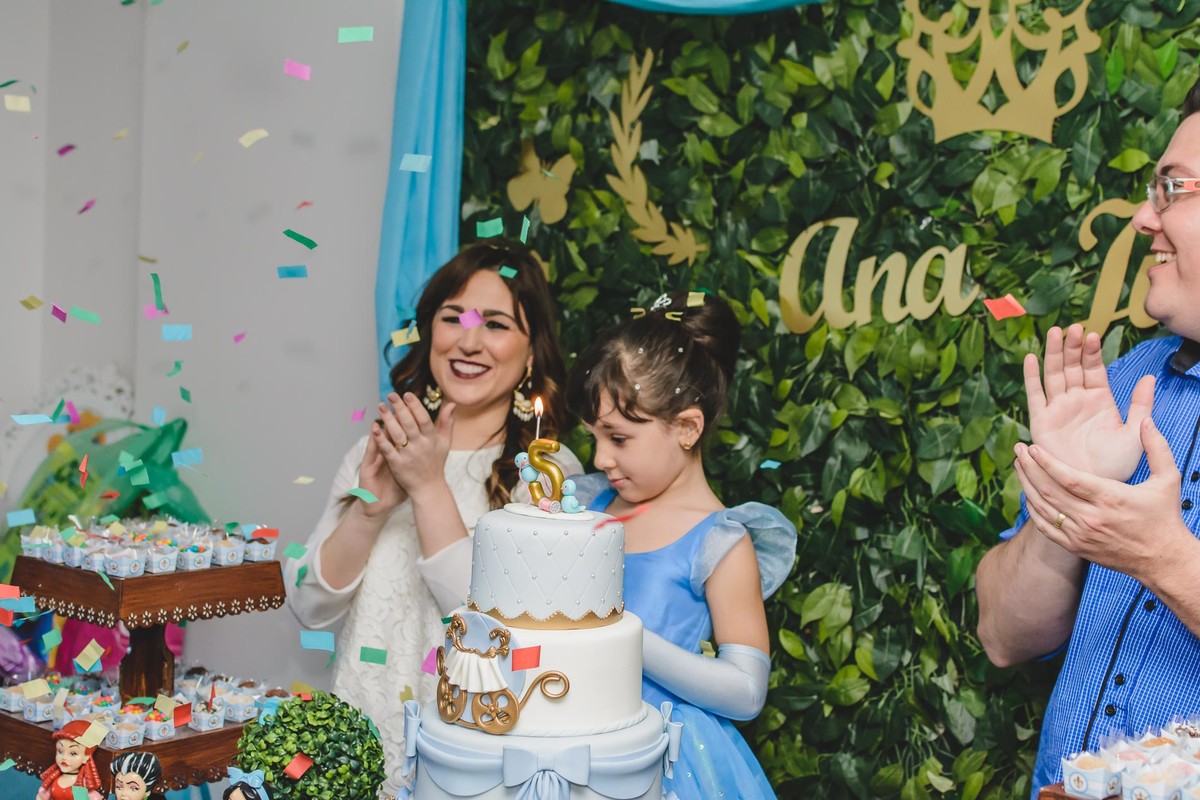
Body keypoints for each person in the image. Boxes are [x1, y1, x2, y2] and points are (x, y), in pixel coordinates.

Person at [286, 241, 582, 795]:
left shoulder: (547, 472)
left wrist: (427, 486)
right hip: (359, 746)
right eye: (454, 318)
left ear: (531, 352)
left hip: (470, 759)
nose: (468, 341)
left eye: (495, 324)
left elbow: (498, 632)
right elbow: (309, 607)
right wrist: (370, 510)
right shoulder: (379, 448)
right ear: (429, 332)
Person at [975, 76, 1200, 797]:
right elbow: (1003, 637)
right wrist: (1065, 509)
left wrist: (1164, 555)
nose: (1142, 217)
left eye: (1172, 188)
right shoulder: (1128, 381)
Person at [565, 291, 797, 800]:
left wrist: (629, 638)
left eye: (619, 438)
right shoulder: (588, 507)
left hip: (660, 759)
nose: (600, 458)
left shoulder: (719, 540)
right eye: (593, 438)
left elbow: (746, 689)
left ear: (687, 428)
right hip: (563, 736)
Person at [37, 720, 104, 800]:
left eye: (73, 753)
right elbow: (41, 797)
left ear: (86, 757)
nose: (64, 757)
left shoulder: (80, 786)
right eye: (60, 751)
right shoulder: (54, 780)